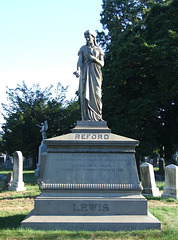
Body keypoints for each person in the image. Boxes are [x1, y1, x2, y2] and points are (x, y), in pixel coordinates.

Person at [74, 30, 104, 121]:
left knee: (97, 94)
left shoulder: (99, 49)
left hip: (96, 74)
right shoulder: (83, 49)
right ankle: (86, 118)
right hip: (85, 73)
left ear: (93, 37)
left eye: (89, 37)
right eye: (86, 37)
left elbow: (102, 63)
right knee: (85, 95)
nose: (87, 39)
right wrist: (78, 70)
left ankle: (98, 117)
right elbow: (80, 61)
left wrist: (94, 59)